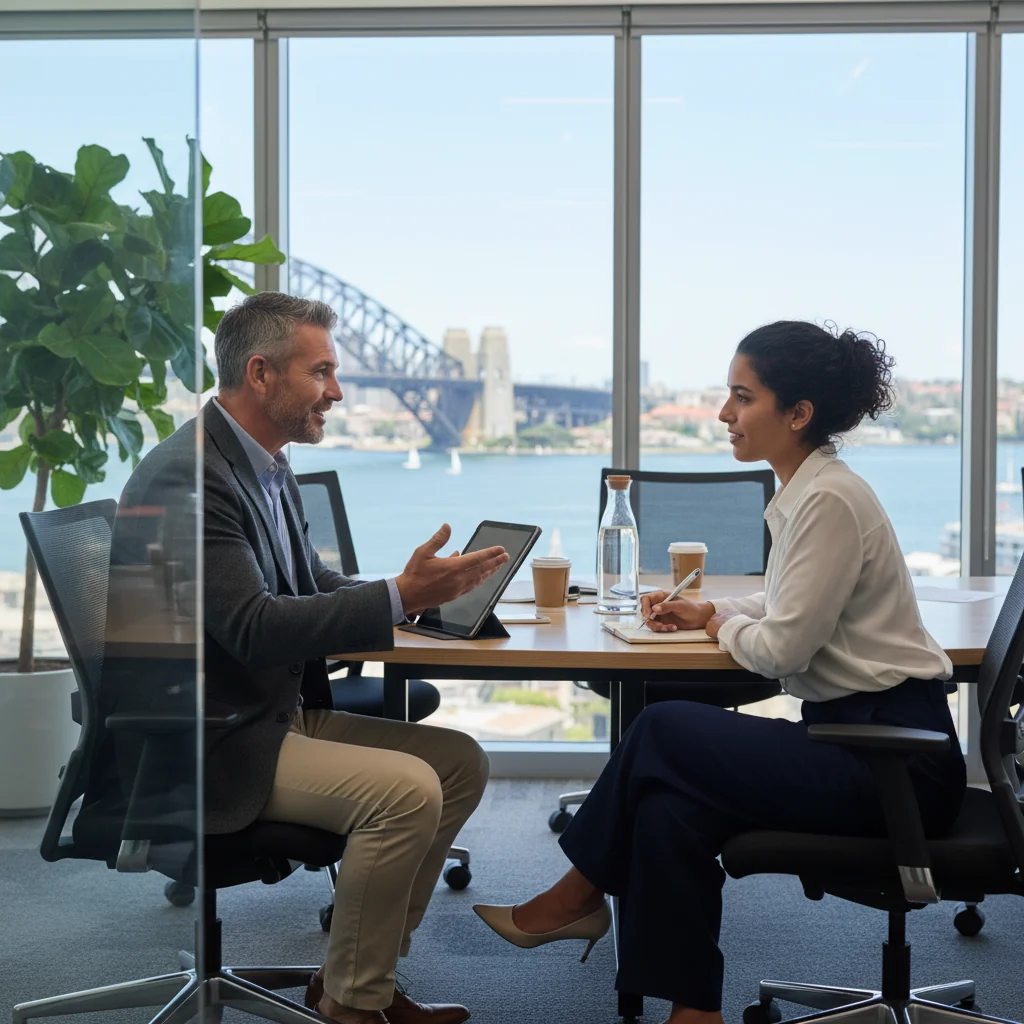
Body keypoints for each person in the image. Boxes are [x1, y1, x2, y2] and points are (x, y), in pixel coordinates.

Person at [472, 321, 967, 1024]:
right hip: (857, 742)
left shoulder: (827, 500)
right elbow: (789, 601)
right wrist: (715, 608)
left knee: (660, 728)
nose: (723, 413)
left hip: (895, 765)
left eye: (743, 396)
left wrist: (715, 626)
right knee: (667, 809)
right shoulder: (811, 490)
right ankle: (693, 1012)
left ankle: (576, 894)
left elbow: (782, 651)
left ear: (797, 414)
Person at [113, 291, 509, 1024]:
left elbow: (309, 584)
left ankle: (352, 979)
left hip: (266, 713)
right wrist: (397, 595)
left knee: (460, 763)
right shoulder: (190, 477)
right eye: (321, 372)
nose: (337, 392)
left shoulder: (263, 462)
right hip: (209, 740)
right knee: (407, 793)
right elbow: (255, 628)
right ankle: (357, 1009)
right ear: (260, 374)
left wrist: (416, 596)